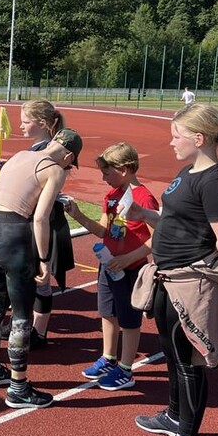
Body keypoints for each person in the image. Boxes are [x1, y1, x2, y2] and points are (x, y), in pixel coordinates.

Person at [125, 104, 218, 436]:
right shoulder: (188, 171)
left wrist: (193, 253)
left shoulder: (215, 182)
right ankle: (175, 416)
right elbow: (179, 219)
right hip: (167, 278)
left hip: (188, 284)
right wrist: (147, 215)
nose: (172, 142)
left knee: (190, 362)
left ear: (199, 138)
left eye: (177, 136)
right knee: (171, 353)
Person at [0, 128, 82, 408]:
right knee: (22, 315)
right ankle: (18, 387)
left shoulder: (20, 155)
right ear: (69, 156)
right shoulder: (55, 170)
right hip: (14, 239)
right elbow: (40, 219)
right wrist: (45, 260)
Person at [0, 100, 74, 348]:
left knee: (39, 281)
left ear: (43, 123)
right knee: (27, 284)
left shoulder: (53, 153)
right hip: (25, 224)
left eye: (25, 121)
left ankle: (36, 332)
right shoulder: (38, 151)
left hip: (34, 224)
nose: (20, 125)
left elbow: (40, 198)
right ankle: (26, 329)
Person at [66, 142, 159, 391]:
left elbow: (157, 237)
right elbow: (103, 230)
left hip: (131, 269)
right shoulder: (111, 195)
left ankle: (126, 369)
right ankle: (109, 358)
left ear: (125, 169)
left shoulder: (144, 198)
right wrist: (77, 215)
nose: (103, 178)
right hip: (109, 266)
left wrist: (129, 259)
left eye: (107, 173)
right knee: (107, 312)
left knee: (129, 320)